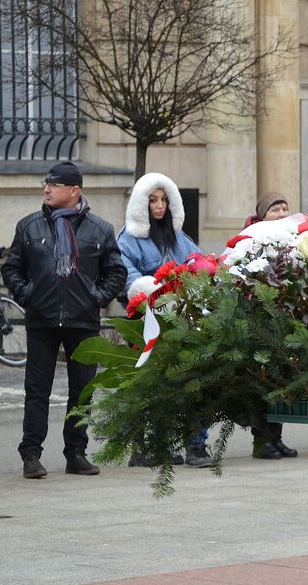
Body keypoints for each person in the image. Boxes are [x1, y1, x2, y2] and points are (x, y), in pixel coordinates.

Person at [2, 161, 127, 479]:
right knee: (36, 389)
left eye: (54, 185)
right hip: (42, 320)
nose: (47, 189)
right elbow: (11, 268)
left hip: (82, 322)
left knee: (82, 391)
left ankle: (76, 453)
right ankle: (31, 454)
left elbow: (116, 272)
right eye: (46, 183)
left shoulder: (100, 229)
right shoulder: (29, 226)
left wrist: (96, 299)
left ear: (74, 191)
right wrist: (28, 295)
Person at [116, 172, 211, 468]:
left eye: (164, 200)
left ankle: (197, 445)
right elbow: (125, 275)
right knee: (147, 385)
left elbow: (198, 262)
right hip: (146, 323)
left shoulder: (180, 237)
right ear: (140, 204)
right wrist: (152, 289)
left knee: (193, 380)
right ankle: (144, 447)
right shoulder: (128, 239)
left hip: (183, 320)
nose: (159, 206)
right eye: (153, 200)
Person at [243, 192, 299, 460]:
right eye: (275, 209)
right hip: (259, 319)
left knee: (280, 380)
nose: (281, 214)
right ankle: (261, 439)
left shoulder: (293, 241)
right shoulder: (249, 241)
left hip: (284, 321)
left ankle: (275, 437)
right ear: (263, 215)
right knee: (261, 381)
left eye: (285, 209)